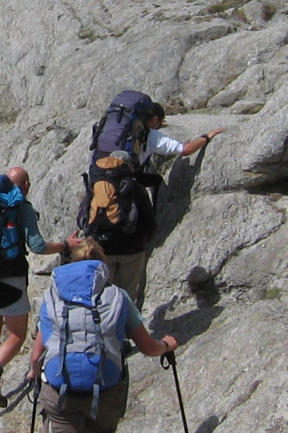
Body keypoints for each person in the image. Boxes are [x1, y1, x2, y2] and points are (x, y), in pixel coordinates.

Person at [25, 239, 177, 433]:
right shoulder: (117, 297)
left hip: (60, 387)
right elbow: (147, 347)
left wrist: (33, 371)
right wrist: (167, 345)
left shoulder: (52, 297)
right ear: (100, 267)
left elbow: (38, 350)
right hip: (104, 386)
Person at [84, 104, 226, 305]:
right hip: (130, 246)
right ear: (155, 120)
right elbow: (185, 150)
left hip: (101, 242)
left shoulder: (107, 142)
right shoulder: (150, 137)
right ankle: (126, 329)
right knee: (126, 296)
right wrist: (207, 136)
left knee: (102, 294)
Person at [0, 166, 79, 409]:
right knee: (16, 335)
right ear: (26, 185)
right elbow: (37, 246)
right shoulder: (20, 207)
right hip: (11, 277)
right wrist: (65, 245)